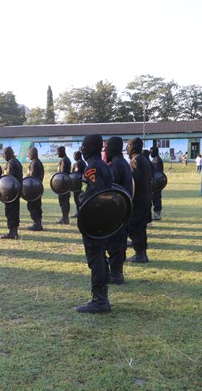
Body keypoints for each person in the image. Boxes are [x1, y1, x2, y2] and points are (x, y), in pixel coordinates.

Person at [75, 134, 113, 313]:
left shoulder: (93, 168)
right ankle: (101, 297)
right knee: (99, 257)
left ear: (90, 148)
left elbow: (96, 196)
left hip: (94, 220)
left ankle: (99, 301)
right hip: (100, 219)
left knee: (95, 258)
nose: (82, 149)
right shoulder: (102, 165)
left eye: (83, 146)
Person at [104, 137, 133, 285]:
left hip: (117, 210)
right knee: (119, 242)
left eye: (107, 147)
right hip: (124, 208)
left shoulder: (116, 165)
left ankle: (116, 274)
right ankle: (116, 272)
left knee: (115, 243)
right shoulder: (123, 163)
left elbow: (112, 190)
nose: (105, 151)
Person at [126, 137, 152, 263]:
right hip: (145, 199)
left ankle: (140, 254)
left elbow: (131, 181)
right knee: (141, 228)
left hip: (138, 201)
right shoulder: (144, 159)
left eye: (128, 145)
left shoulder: (135, 160)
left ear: (134, 147)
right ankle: (142, 252)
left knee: (135, 227)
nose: (127, 148)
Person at [0, 146, 22, 240]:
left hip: (11, 192)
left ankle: (12, 232)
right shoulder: (16, 162)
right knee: (15, 211)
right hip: (16, 191)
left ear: (7, 154)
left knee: (10, 211)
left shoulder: (11, 163)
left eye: (4, 154)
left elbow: (8, 179)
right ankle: (14, 231)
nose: (3, 156)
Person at [26, 147, 44, 231]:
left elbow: (32, 177)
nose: (28, 155)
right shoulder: (39, 162)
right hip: (38, 188)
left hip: (33, 189)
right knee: (37, 206)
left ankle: (37, 223)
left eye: (29, 153)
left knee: (32, 206)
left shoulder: (34, 164)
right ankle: (39, 223)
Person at [56, 146, 72, 224]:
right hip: (63, 183)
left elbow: (63, 174)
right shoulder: (64, 159)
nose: (57, 153)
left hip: (63, 184)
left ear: (62, 151)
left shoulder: (65, 160)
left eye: (58, 152)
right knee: (64, 201)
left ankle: (65, 218)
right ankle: (65, 218)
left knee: (64, 201)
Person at [149, 146, 164, 220]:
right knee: (155, 198)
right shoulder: (155, 159)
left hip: (157, 182)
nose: (150, 153)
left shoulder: (157, 160)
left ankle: (157, 214)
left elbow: (155, 172)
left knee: (156, 198)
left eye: (152, 152)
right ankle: (156, 213)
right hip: (156, 182)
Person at [71, 150, 86, 218]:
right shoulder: (83, 162)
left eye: (74, 156)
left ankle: (79, 212)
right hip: (82, 183)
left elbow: (76, 174)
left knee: (77, 198)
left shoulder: (78, 163)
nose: (73, 157)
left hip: (78, 184)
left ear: (77, 156)